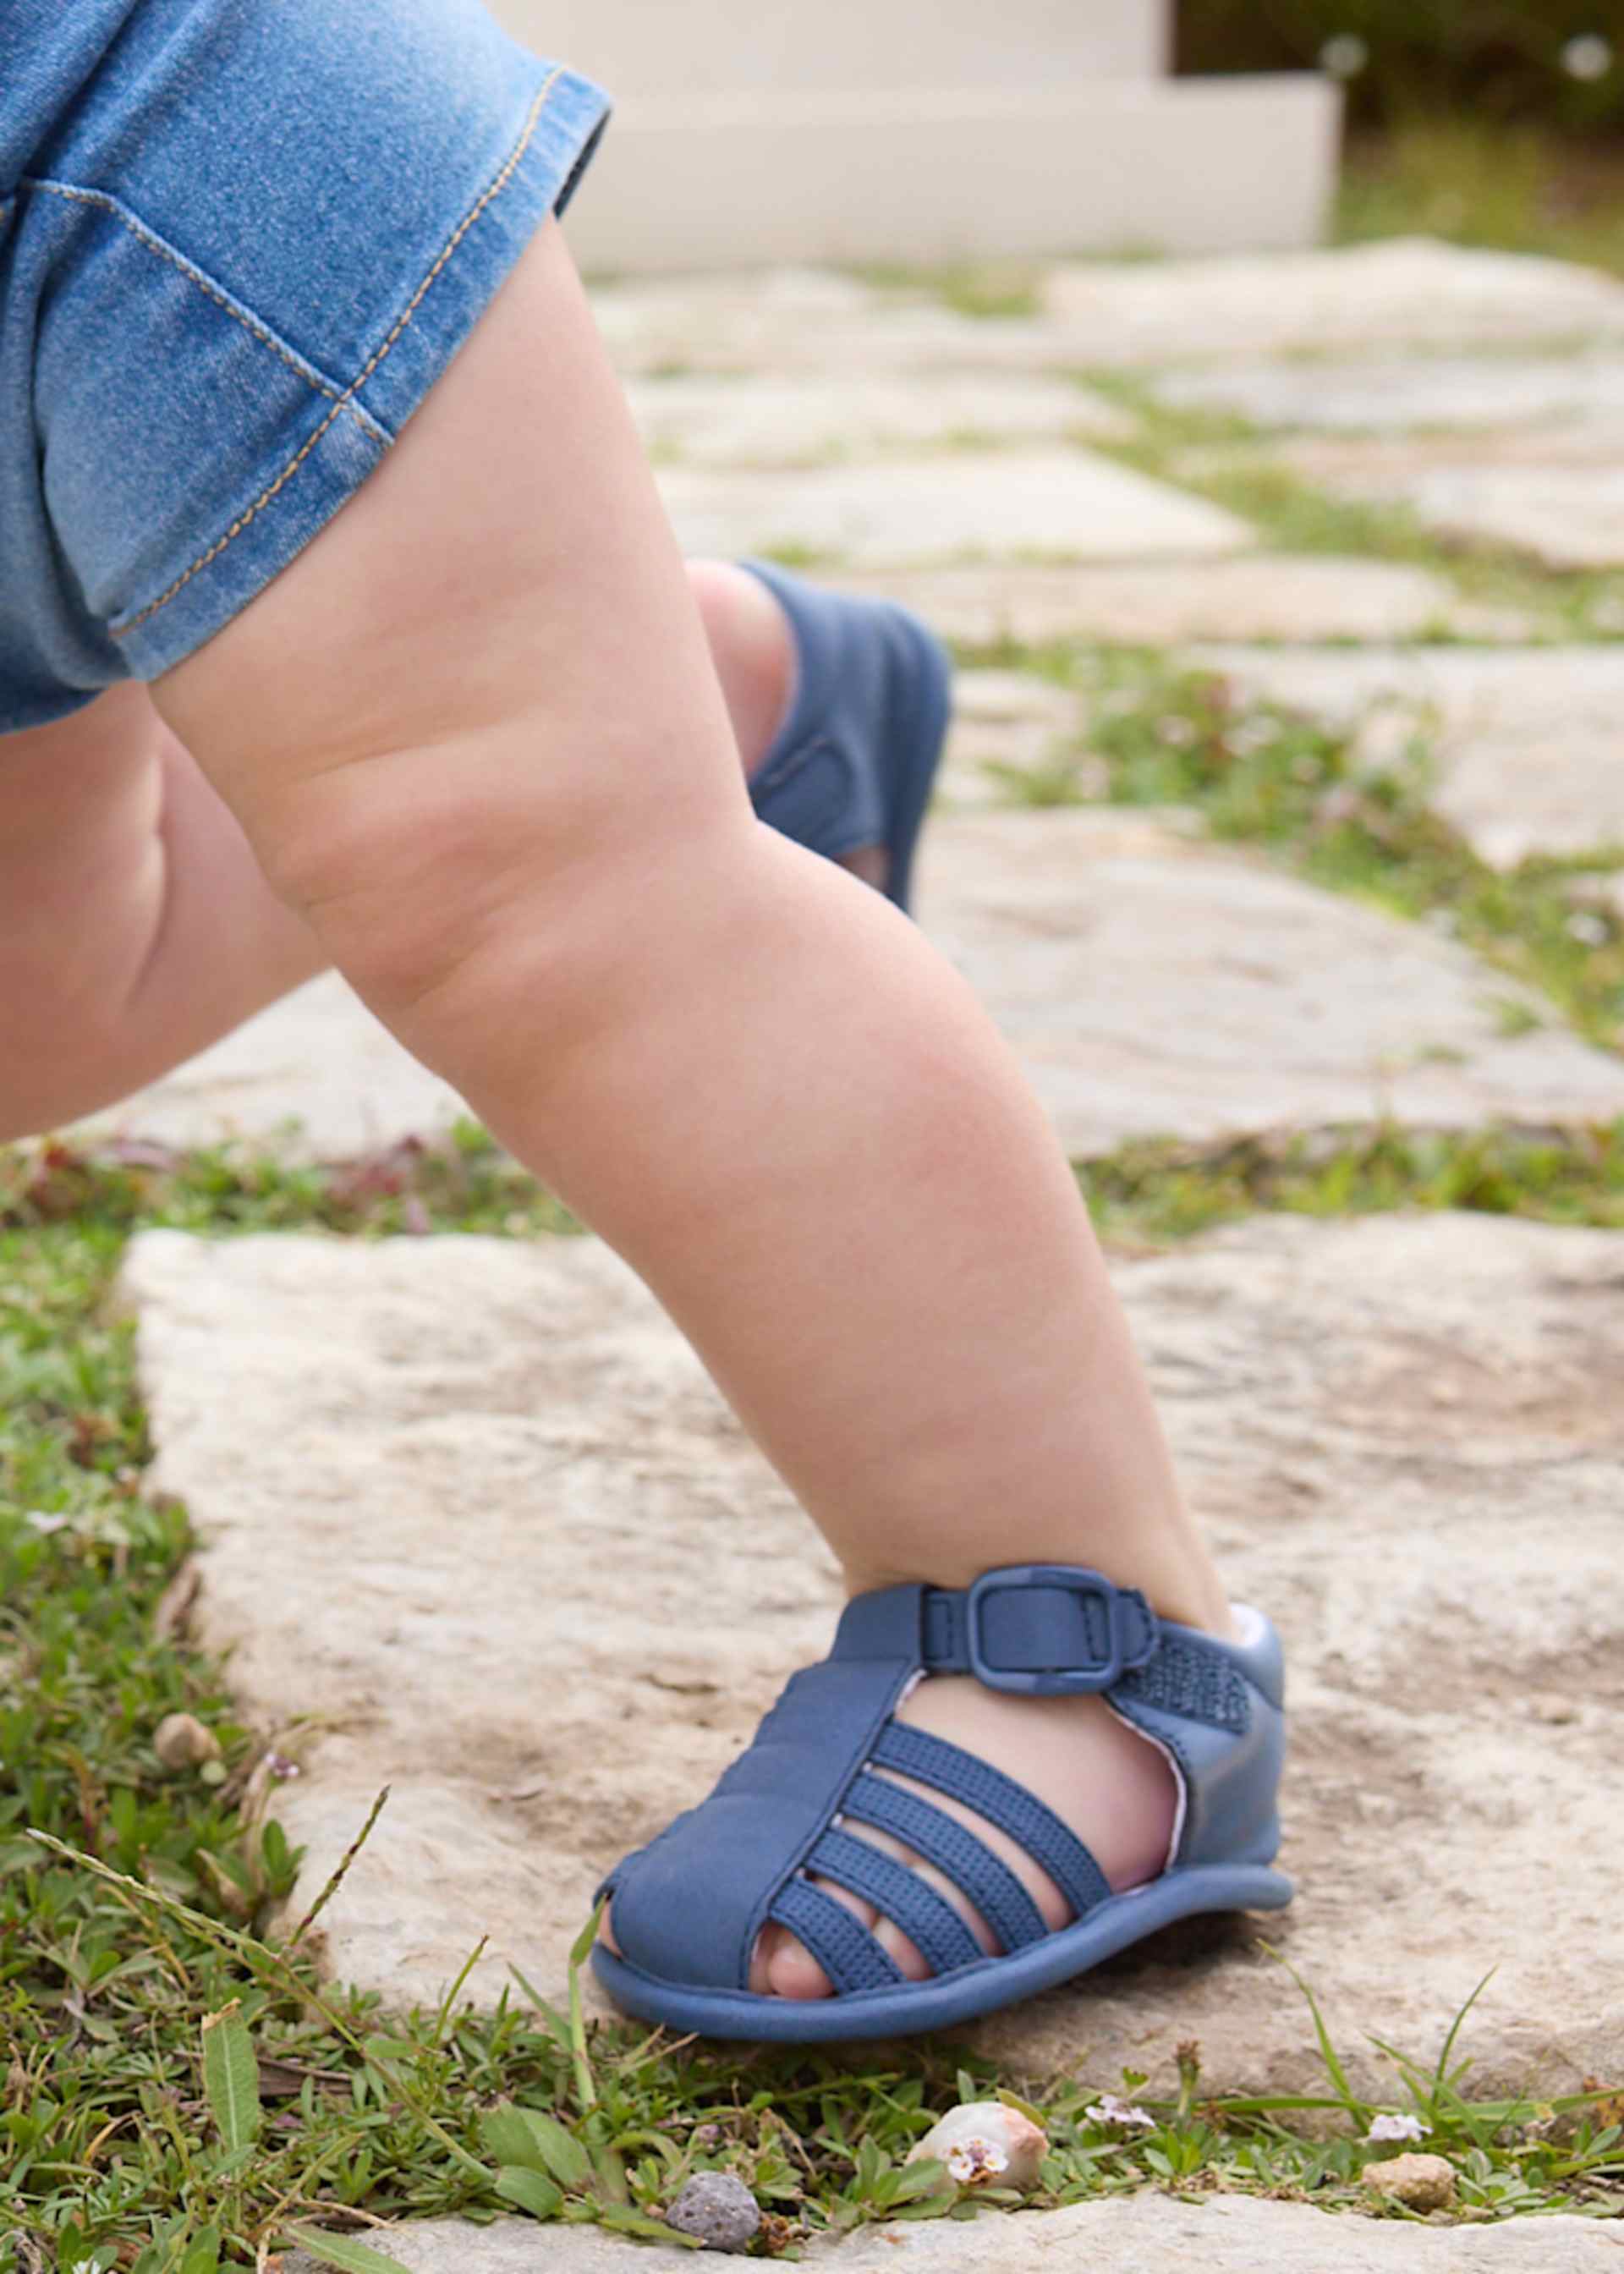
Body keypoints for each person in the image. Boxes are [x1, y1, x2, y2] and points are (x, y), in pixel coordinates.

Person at [0, 0, 1289, 2042]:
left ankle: (1080, 1622)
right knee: (45, 1009)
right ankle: (714, 680)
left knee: (532, 887)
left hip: (126, 160)